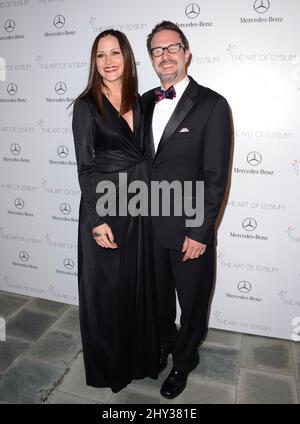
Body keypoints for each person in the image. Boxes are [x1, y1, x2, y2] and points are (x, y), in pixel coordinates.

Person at [142, 21, 232, 399]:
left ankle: (184, 360)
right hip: (148, 226)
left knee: (192, 302)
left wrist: (199, 231)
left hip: (187, 231)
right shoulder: (143, 101)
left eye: (172, 47)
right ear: (151, 58)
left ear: (187, 52)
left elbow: (215, 177)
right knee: (158, 298)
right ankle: (165, 343)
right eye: (157, 50)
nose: (165, 55)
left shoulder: (212, 104)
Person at [71, 29, 159, 393]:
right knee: (106, 293)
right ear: (94, 62)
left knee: (134, 289)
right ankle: (110, 367)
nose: (108, 62)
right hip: (105, 209)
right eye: (100, 55)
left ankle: (138, 360)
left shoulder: (141, 102)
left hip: (139, 208)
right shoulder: (86, 105)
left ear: (127, 58)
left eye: (115, 54)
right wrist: (96, 220)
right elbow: (85, 168)